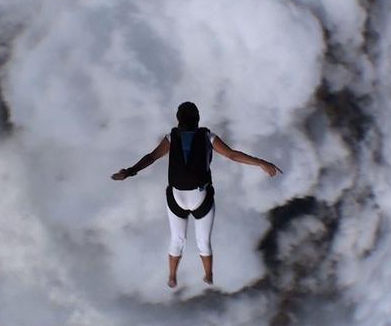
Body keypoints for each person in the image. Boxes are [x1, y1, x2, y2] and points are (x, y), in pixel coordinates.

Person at [111, 101, 281, 288]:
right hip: (201, 197)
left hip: (177, 197)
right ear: (198, 119)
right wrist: (261, 163)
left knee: (177, 240)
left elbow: (151, 157)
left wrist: (130, 171)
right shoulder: (208, 136)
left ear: (178, 121)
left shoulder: (171, 138)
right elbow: (232, 155)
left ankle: (172, 277)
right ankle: (208, 275)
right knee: (203, 242)